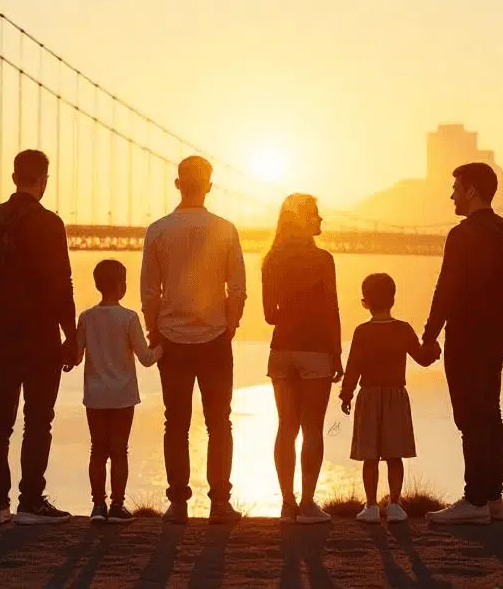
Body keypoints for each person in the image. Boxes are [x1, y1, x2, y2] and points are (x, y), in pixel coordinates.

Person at [141, 156, 246, 524]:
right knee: (220, 421)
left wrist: (154, 328)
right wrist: (230, 324)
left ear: (177, 184)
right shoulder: (226, 229)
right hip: (215, 337)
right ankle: (220, 502)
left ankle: (178, 503)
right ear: (210, 186)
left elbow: (150, 290)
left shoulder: (157, 230)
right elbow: (237, 286)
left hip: (172, 338)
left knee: (176, 422)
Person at [0, 150, 78, 526]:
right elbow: (61, 284)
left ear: (14, 176)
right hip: (40, 337)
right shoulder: (50, 223)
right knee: (38, 419)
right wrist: (71, 335)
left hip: (1, 335)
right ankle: (31, 503)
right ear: (44, 180)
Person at [423, 162, 503, 525]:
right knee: (491, 414)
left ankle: (474, 500)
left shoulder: (463, 234)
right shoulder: (502, 230)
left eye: (456, 187)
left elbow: (447, 287)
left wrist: (429, 334)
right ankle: (493, 500)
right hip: (495, 338)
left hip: (466, 337)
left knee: (470, 418)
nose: (452, 195)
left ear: (472, 190)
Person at [262, 194, 343, 524]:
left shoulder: (271, 259)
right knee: (312, 429)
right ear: (304, 219)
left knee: (285, 427)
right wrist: (337, 353)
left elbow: (268, 315)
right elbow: (332, 309)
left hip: (282, 350)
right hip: (316, 351)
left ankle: (286, 504)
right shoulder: (324, 259)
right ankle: (308, 505)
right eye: (316, 215)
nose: (321, 219)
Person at [340, 273, 438, 524]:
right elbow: (422, 358)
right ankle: (394, 504)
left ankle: (371, 505)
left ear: (365, 302)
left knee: (369, 456)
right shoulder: (403, 329)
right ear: (393, 299)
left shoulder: (362, 331)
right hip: (396, 395)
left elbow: (353, 366)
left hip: (369, 395)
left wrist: (346, 393)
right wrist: (434, 349)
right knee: (395, 455)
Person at [72, 259, 161, 524]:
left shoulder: (86, 318)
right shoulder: (129, 318)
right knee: (119, 450)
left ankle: (98, 506)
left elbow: (76, 357)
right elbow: (146, 358)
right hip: (122, 396)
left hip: (95, 396)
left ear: (98, 284)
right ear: (122, 286)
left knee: (97, 450)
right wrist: (162, 346)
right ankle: (118, 506)